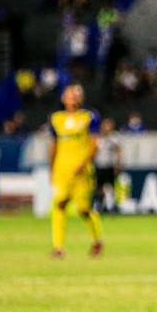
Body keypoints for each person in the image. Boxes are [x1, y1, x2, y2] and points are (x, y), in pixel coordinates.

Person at [48, 84, 103, 258]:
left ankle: (97, 240)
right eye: (69, 95)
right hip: (62, 169)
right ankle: (58, 247)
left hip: (81, 170)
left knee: (83, 209)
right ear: (63, 98)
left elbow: (94, 145)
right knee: (59, 204)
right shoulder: (56, 119)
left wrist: (84, 163)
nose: (72, 98)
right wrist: (51, 168)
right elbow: (54, 145)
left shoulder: (89, 117)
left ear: (80, 98)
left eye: (75, 95)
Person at [93, 117, 122, 213]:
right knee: (99, 186)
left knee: (110, 186)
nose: (107, 127)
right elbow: (93, 151)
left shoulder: (115, 137)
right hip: (99, 164)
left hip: (110, 164)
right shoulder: (98, 137)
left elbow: (118, 151)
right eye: (105, 125)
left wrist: (118, 164)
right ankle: (99, 204)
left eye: (109, 125)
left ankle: (111, 205)